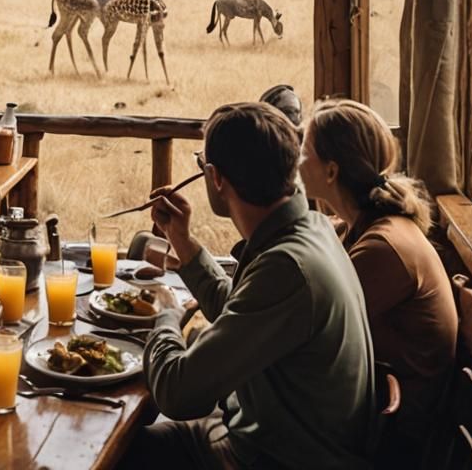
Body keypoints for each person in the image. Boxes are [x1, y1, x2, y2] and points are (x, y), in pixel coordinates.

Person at [124, 102, 376, 470]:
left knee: (115, 450)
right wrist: (184, 242)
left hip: (277, 458)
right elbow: (241, 310)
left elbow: (177, 394)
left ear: (216, 178)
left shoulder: (287, 268)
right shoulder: (313, 229)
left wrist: (163, 317)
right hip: (279, 438)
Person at [298, 98, 457, 460]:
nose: (296, 160)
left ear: (332, 171)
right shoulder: (360, 227)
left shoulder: (383, 248)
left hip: (390, 436)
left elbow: (305, 330)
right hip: (375, 407)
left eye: (303, 150)